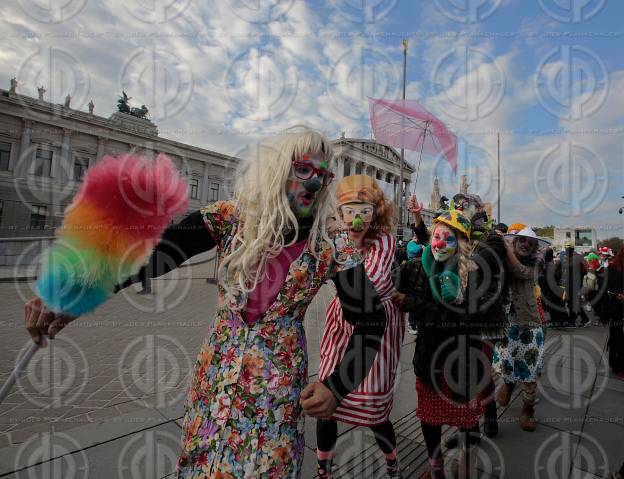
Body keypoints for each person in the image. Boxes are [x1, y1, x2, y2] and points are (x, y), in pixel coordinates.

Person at [24, 129, 389, 478]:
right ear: (280, 169)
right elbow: (157, 254)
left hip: (274, 395)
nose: (314, 182)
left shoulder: (331, 243)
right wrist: (79, 292)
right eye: (304, 169)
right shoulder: (231, 218)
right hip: (214, 380)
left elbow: (371, 319)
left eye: (323, 176)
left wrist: (336, 386)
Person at [396, 207, 502, 479]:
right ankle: (436, 467)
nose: (440, 243)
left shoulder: (475, 271)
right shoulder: (422, 266)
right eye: (437, 237)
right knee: (429, 418)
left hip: (462, 362)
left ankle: (467, 464)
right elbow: (414, 300)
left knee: (466, 420)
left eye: (449, 239)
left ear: (462, 244)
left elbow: (483, 317)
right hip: (429, 359)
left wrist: (458, 300)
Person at [316, 175, 403, 479]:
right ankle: (323, 467)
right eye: (348, 210)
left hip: (375, 325)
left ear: (376, 212)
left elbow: (375, 282)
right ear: (339, 213)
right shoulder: (334, 239)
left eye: (364, 210)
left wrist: (345, 250)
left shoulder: (384, 241)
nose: (356, 218)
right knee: (327, 398)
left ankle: (392, 463)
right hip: (341, 322)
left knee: (373, 409)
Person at [493, 226, 549, 432]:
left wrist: (507, 246)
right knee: (506, 363)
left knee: (530, 371)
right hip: (508, 324)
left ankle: (527, 409)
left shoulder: (537, 261)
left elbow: (521, 271)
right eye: (521, 241)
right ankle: (508, 385)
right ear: (515, 242)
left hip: (531, 325)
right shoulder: (503, 260)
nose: (525, 244)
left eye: (530, 242)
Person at [590, 247, 624, 377]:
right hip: (615, 309)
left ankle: (615, 363)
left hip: (615, 310)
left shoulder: (609, 268)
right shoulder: (611, 269)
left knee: (617, 336)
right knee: (618, 337)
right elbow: (603, 291)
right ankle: (617, 365)